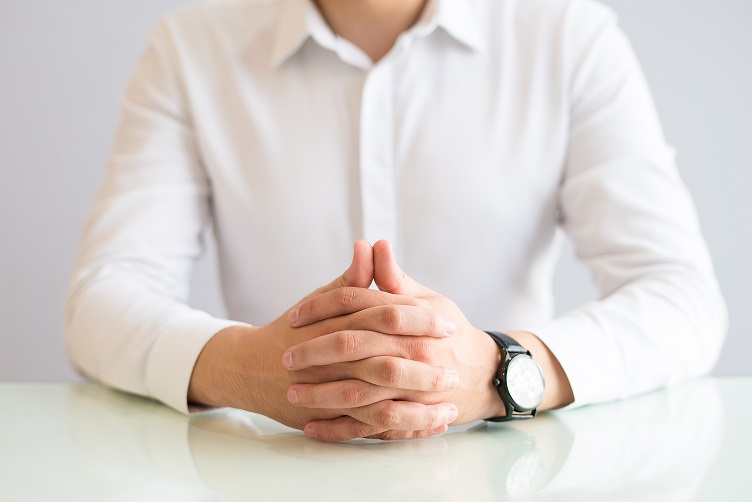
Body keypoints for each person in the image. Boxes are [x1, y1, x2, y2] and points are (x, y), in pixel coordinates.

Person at [64, 0, 727, 442]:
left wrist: (499, 372)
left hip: (506, 464)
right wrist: (245, 368)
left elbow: (682, 297)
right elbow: (101, 300)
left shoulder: (566, 35)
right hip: (273, 469)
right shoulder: (191, 47)